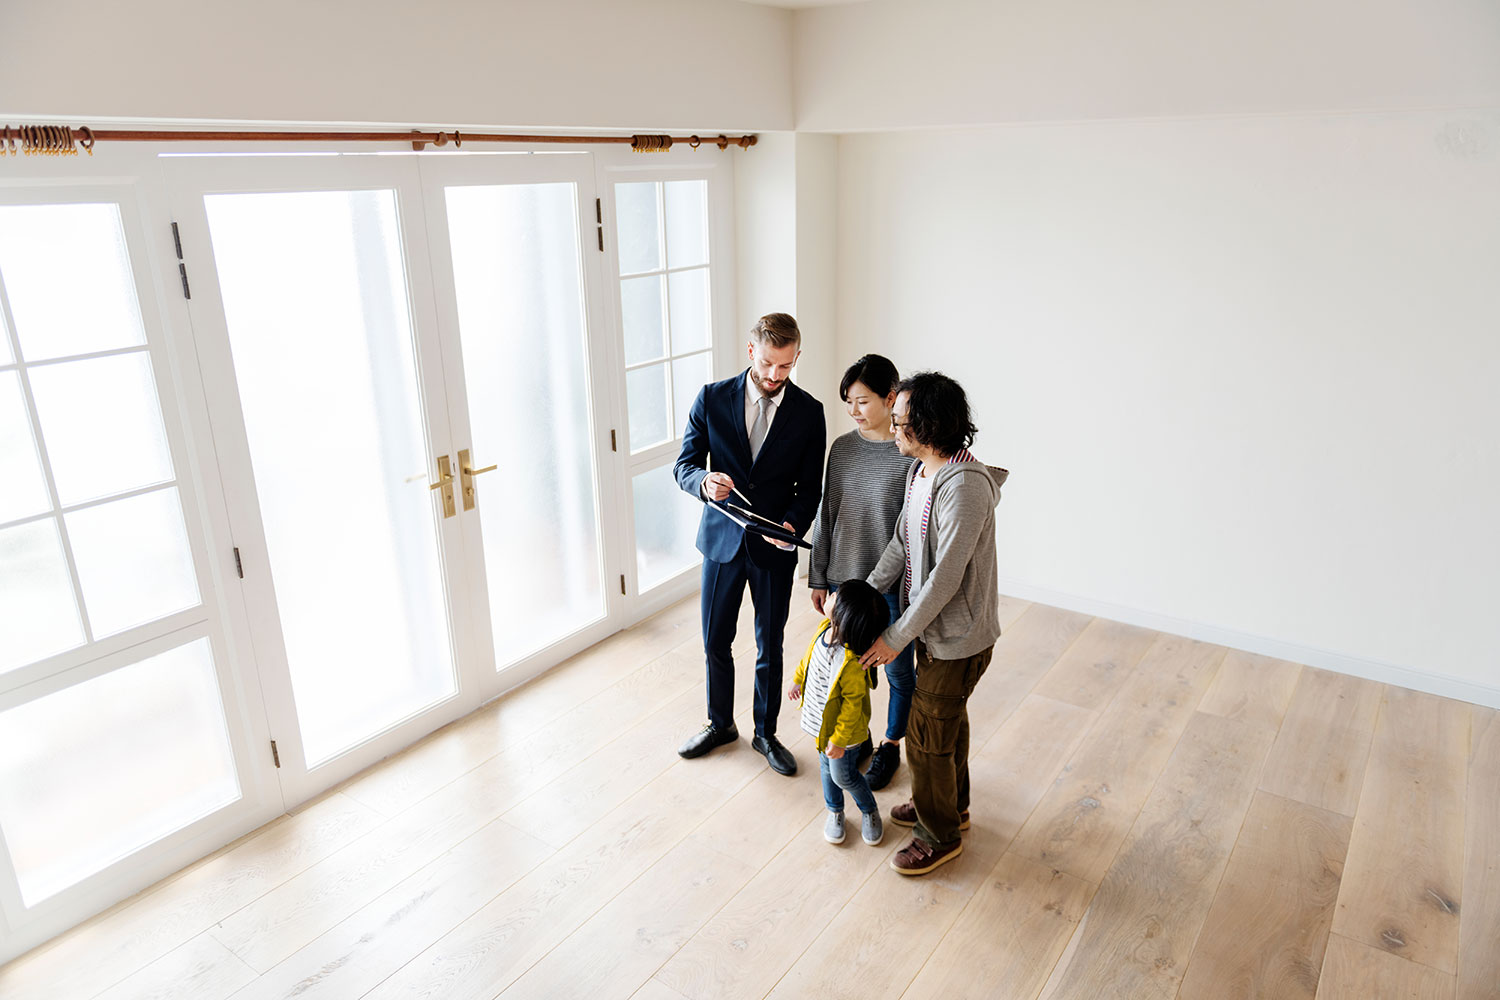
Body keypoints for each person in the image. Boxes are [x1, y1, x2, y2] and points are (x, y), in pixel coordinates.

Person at [859, 372, 1008, 876]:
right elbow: (903, 541)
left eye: (900, 421)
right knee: (948, 723)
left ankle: (937, 833)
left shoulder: (964, 489)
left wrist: (895, 639)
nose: (892, 428)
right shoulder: (920, 473)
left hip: (959, 638)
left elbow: (944, 578)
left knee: (925, 735)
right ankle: (951, 808)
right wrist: (866, 589)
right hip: (931, 630)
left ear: (925, 426)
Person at [674, 313, 827, 776]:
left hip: (773, 548)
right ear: (750, 352)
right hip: (720, 541)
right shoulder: (711, 398)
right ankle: (720, 724)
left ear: (796, 357)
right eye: (766, 364)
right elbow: (684, 466)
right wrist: (704, 482)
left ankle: (766, 732)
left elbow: (811, 490)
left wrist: (790, 526)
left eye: (784, 366)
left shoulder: (809, 412)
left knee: (770, 644)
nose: (773, 376)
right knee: (715, 640)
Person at [807, 354, 916, 790]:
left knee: (895, 670)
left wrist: (883, 584)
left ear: (891, 399)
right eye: (848, 401)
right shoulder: (842, 448)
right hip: (841, 582)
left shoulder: (909, 453)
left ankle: (891, 744)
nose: (853, 411)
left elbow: (908, 533)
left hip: (887, 589)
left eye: (862, 401)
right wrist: (818, 577)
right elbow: (827, 514)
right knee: (848, 667)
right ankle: (860, 737)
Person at [788, 580, 889, 847]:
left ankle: (869, 809)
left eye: (835, 596)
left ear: (844, 617)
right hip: (822, 725)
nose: (830, 595)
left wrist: (840, 739)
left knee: (843, 776)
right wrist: (798, 680)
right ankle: (835, 811)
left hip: (843, 735)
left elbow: (852, 707)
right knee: (825, 769)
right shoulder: (824, 629)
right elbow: (808, 659)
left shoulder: (853, 664)